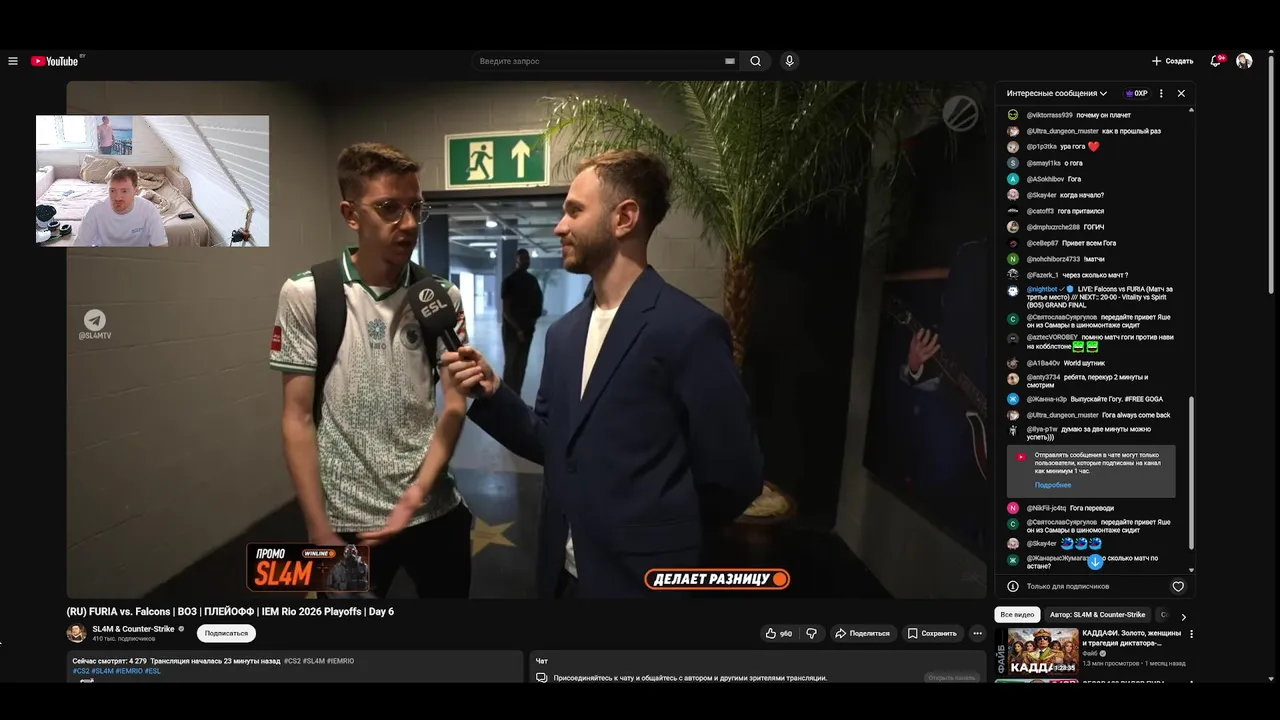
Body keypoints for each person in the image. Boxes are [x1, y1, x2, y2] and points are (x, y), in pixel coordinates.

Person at [442, 149, 764, 599]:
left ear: (624, 218)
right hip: (562, 576)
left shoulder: (688, 330)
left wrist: (658, 536)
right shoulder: (564, 334)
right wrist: (493, 393)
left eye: (574, 211)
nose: (559, 226)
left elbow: (734, 477)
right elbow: (554, 443)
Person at [270, 142, 473, 599]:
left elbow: (455, 406)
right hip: (345, 524)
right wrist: (318, 528)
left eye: (415, 207)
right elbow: (297, 418)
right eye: (389, 208)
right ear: (351, 214)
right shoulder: (307, 294)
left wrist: (416, 495)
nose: (409, 223)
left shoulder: (441, 296)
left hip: (434, 510)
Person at [74, 166, 168, 247]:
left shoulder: (149, 210)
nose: (117, 198)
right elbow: (79, 249)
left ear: (136, 191)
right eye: (112, 191)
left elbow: (161, 247)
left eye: (124, 191)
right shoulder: (94, 211)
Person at [500, 248, 544, 395]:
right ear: (517, 260)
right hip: (511, 332)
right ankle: (507, 398)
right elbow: (506, 310)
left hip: (527, 330)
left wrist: (531, 324)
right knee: (511, 365)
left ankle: (516, 396)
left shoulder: (532, 281)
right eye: (523, 258)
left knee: (521, 366)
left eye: (527, 258)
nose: (526, 261)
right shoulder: (509, 281)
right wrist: (518, 330)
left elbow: (538, 304)